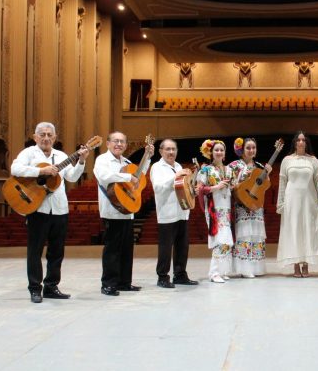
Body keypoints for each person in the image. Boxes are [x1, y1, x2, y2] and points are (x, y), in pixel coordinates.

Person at [10, 122, 88, 303]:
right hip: (37, 208)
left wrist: (81, 161)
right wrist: (41, 170)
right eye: (42, 134)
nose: (46, 138)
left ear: (54, 138)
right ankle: (35, 289)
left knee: (56, 252)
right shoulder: (29, 153)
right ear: (35, 137)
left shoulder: (61, 156)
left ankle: (51, 287)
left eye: (49, 135)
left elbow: (72, 177)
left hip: (60, 209)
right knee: (35, 251)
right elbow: (15, 169)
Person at [94, 131, 154, 296]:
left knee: (127, 249)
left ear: (126, 145)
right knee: (112, 250)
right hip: (112, 210)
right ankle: (108, 284)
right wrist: (127, 177)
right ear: (108, 143)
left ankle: (124, 282)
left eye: (122, 142)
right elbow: (104, 176)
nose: (119, 144)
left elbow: (139, 175)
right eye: (116, 141)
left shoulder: (127, 162)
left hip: (128, 210)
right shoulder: (102, 160)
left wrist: (147, 157)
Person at [276, 131, 318, 277]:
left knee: (308, 229)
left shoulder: (313, 160)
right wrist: (280, 202)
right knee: (293, 230)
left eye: (303, 140)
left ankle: (305, 264)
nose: (301, 142)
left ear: (306, 143)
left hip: (309, 199)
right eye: (298, 140)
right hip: (291, 200)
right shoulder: (286, 160)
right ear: (294, 143)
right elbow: (282, 182)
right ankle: (295, 264)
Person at [150, 139, 198, 288]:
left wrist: (192, 191)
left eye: (173, 149)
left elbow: (181, 186)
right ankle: (162, 277)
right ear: (161, 151)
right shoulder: (157, 167)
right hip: (167, 213)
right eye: (168, 149)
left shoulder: (178, 166)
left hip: (182, 211)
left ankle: (180, 275)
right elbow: (158, 188)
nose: (171, 152)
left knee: (182, 247)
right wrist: (176, 176)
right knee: (165, 248)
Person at [229, 137, 272, 278]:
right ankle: (245, 268)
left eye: (253, 147)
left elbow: (264, 186)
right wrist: (243, 179)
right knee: (245, 234)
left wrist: (267, 174)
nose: (251, 150)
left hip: (256, 205)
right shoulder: (234, 165)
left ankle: (256, 268)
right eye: (248, 148)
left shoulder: (259, 166)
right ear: (242, 150)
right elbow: (230, 184)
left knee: (256, 235)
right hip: (242, 204)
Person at [196, 139, 234, 283]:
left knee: (227, 240)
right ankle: (214, 273)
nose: (219, 152)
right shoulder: (206, 170)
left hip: (227, 208)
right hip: (214, 208)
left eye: (221, 150)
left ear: (225, 153)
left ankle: (223, 271)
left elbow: (233, 187)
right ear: (211, 153)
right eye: (216, 150)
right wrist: (216, 187)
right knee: (220, 239)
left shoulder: (229, 170)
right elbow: (199, 189)